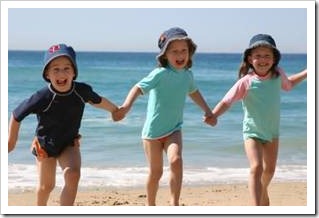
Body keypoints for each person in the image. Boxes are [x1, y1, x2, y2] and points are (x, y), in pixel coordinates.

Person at [113, 27, 216, 206]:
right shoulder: (159, 74)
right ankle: (150, 205)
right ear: (165, 55)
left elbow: (194, 92)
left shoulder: (187, 75)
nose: (180, 54)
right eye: (174, 51)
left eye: (184, 50)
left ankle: (174, 204)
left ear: (190, 53)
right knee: (156, 173)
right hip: (152, 133)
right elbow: (138, 88)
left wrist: (208, 111)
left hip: (174, 129)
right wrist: (126, 107)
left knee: (176, 160)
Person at [8, 44, 119, 206]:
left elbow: (98, 101)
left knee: (73, 175)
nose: (61, 73)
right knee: (47, 186)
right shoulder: (42, 97)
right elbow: (16, 115)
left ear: (74, 72)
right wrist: (11, 142)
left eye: (67, 68)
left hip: (69, 142)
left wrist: (115, 110)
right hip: (45, 146)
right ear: (47, 74)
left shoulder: (81, 91)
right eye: (55, 69)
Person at [212, 34, 307, 206]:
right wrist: (214, 115)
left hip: (272, 132)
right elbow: (227, 101)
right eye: (258, 56)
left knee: (269, 171)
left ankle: (262, 190)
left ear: (274, 59)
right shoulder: (246, 82)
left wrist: (308, 72)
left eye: (267, 56)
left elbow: (289, 85)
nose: (263, 60)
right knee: (257, 167)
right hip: (252, 132)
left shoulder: (278, 75)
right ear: (250, 59)